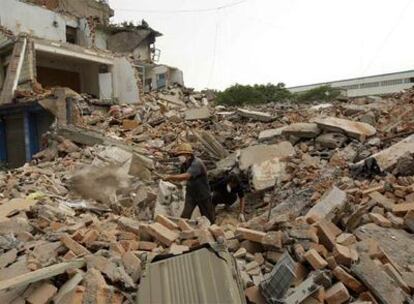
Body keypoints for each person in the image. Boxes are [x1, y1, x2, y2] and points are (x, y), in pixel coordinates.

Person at [165, 143, 215, 223]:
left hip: (203, 194)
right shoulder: (184, 165)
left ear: (188, 154)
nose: (180, 157)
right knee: (185, 215)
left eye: (182, 154)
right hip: (191, 194)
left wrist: (170, 177)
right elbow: (181, 179)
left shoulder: (197, 163)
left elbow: (186, 176)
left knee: (208, 218)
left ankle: (213, 232)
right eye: (179, 155)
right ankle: (182, 230)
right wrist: (170, 180)